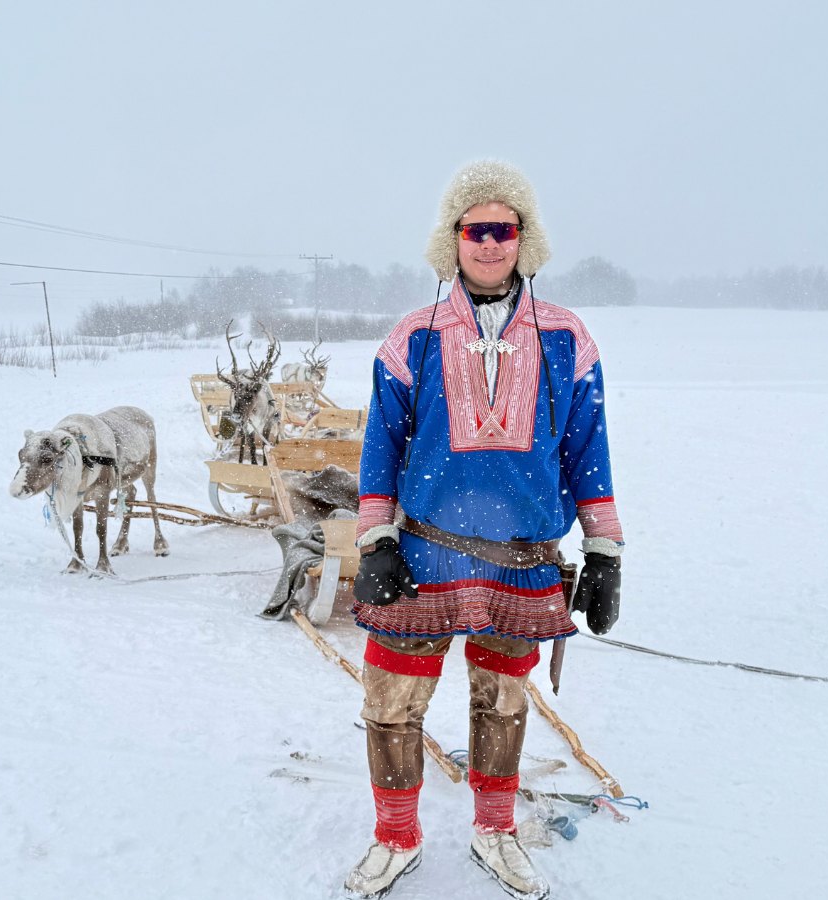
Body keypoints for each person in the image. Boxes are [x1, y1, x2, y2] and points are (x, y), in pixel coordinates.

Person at [343, 160, 624, 900]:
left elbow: (587, 448)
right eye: (476, 229)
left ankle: (494, 831)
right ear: (454, 238)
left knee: (502, 700)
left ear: (524, 238)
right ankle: (395, 838)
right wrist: (374, 541)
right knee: (391, 701)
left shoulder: (566, 337)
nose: (490, 243)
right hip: (423, 551)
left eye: (505, 228)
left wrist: (603, 550)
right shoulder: (416, 336)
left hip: (524, 556)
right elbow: (380, 447)